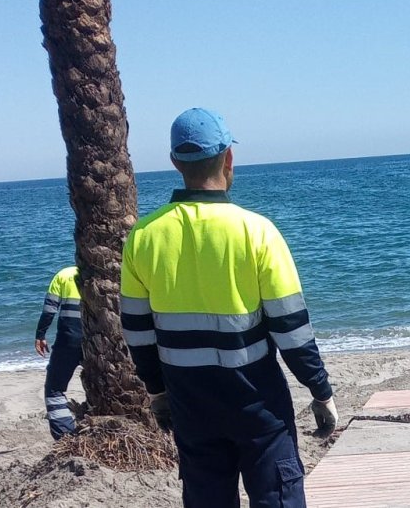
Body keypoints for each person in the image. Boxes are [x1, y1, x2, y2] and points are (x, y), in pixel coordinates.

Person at [121, 108, 336, 508]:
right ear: (229, 158)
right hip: (257, 401)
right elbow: (291, 328)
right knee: (277, 495)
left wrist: (157, 391)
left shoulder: (143, 236)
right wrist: (320, 390)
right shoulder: (257, 231)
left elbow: (136, 330)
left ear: (174, 162)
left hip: (190, 400)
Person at [35, 265, 82, 440]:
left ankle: (65, 436)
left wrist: (40, 334)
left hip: (69, 340)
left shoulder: (64, 275)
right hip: (100, 341)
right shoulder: (101, 272)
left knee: (54, 388)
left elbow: (49, 310)